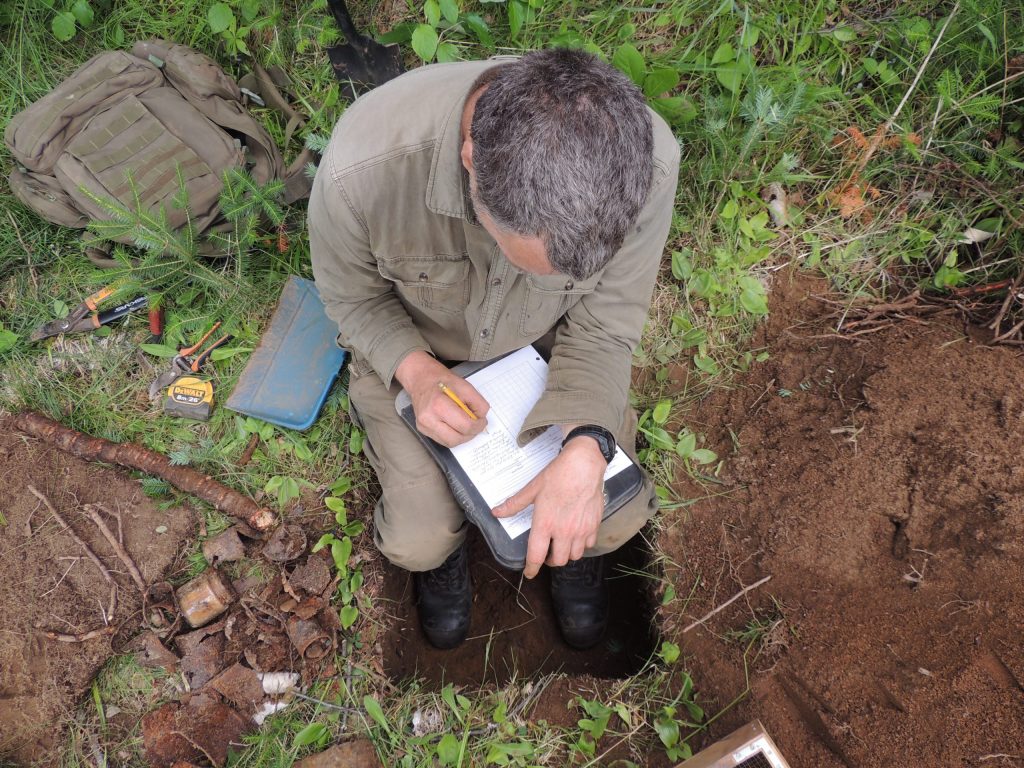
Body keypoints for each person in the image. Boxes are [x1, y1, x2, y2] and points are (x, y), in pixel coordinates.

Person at [310, 48, 680, 651]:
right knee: (418, 541)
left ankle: (571, 553)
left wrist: (588, 444)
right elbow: (351, 298)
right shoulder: (364, 170)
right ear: (470, 165)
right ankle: (448, 561)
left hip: (551, 343)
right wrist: (417, 372)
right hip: (419, 347)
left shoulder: (649, 162)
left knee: (617, 515)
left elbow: (606, 321)